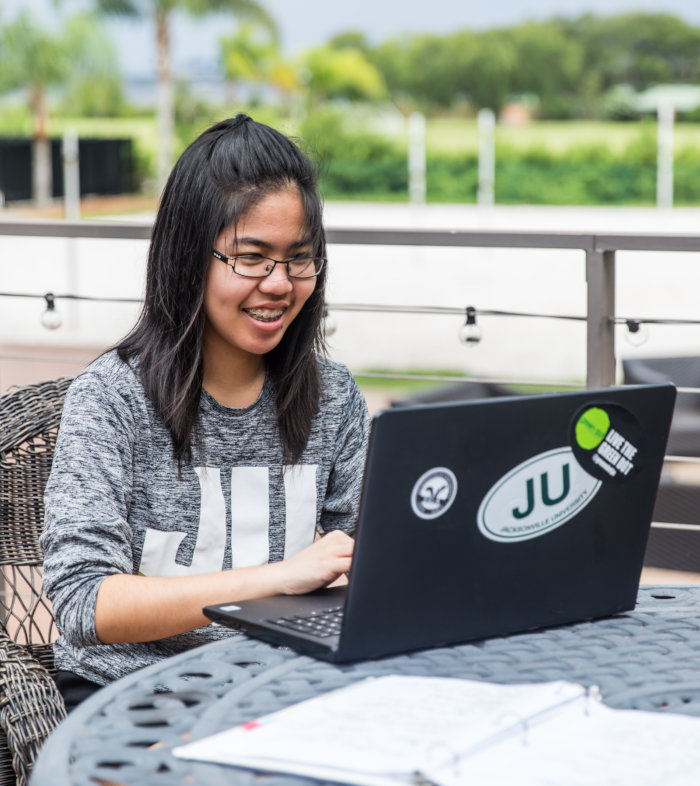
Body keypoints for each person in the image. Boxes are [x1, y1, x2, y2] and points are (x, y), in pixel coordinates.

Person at [41, 114, 371, 712]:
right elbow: (85, 603)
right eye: (252, 257)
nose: (280, 284)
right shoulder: (112, 399)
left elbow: (381, 560)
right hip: (131, 698)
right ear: (190, 255)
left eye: (299, 258)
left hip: (285, 691)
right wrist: (276, 578)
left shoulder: (333, 397)